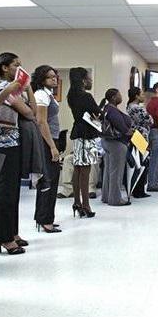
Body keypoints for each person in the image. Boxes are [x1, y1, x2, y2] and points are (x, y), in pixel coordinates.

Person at [0, 52, 32, 254]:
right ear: (5, 68)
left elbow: (29, 108)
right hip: (3, 144)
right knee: (6, 192)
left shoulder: (15, 90)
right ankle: (3, 237)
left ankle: (12, 232)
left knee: (14, 191)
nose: (20, 69)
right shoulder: (2, 88)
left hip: (13, 141)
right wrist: (21, 91)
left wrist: (28, 86)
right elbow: (29, 112)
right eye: (16, 65)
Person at [32, 65, 62, 233]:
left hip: (52, 140)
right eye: (50, 77)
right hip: (46, 142)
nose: (54, 79)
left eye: (55, 76)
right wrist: (52, 147)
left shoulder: (48, 94)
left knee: (50, 180)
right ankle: (45, 220)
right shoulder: (41, 94)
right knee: (48, 181)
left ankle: (44, 217)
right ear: (42, 79)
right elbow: (41, 122)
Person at [67, 67, 101, 218]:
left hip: (77, 132)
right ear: (82, 79)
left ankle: (76, 202)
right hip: (88, 134)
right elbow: (96, 114)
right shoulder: (86, 96)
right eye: (89, 77)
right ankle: (86, 204)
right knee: (86, 170)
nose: (91, 80)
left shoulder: (71, 95)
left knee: (77, 169)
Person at [101, 88, 133, 206]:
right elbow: (123, 128)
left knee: (108, 171)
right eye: (119, 94)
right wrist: (131, 131)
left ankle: (106, 196)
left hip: (107, 142)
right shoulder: (112, 110)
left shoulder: (106, 109)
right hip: (117, 144)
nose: (121, 97)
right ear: (114, 97)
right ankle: (115, 199)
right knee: (116, 172)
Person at [126, 86, 152, 198]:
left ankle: (137, 189)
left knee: (139, 162)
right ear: (136, 96)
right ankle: (139, 190)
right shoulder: (137, 108)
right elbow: (149, 120)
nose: (144, 96)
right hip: (140, 137)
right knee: (142, 163)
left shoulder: (129, 107)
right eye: (141, 94)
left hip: (136, 136)